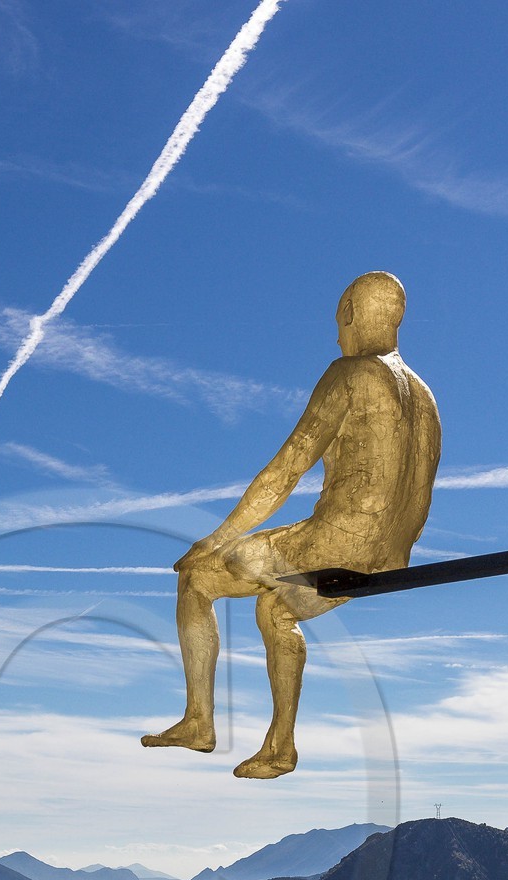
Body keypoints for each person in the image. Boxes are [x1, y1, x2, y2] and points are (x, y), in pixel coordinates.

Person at [142, 271, 441, 778]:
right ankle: (280, 748)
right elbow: (421, 493)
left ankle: (199, 720)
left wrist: (215, 539)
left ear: (349, 312)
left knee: (197, 578)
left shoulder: (350, 372)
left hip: (340, 538)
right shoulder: (426, 398)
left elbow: (286, 469)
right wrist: (391, 548)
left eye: (337, 322)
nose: (336, 336)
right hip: (391, 554)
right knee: (278, 609)